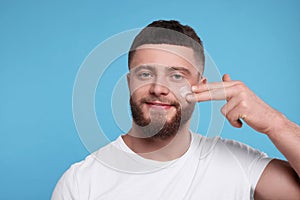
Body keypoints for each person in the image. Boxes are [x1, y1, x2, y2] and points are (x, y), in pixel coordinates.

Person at [52, 20, 300, 199]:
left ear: (201, 87)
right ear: (129, 83)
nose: (159, 88)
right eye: (146, 74)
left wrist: (275, 124)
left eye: (177, 76)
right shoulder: (80, 183)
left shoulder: (240, 165)